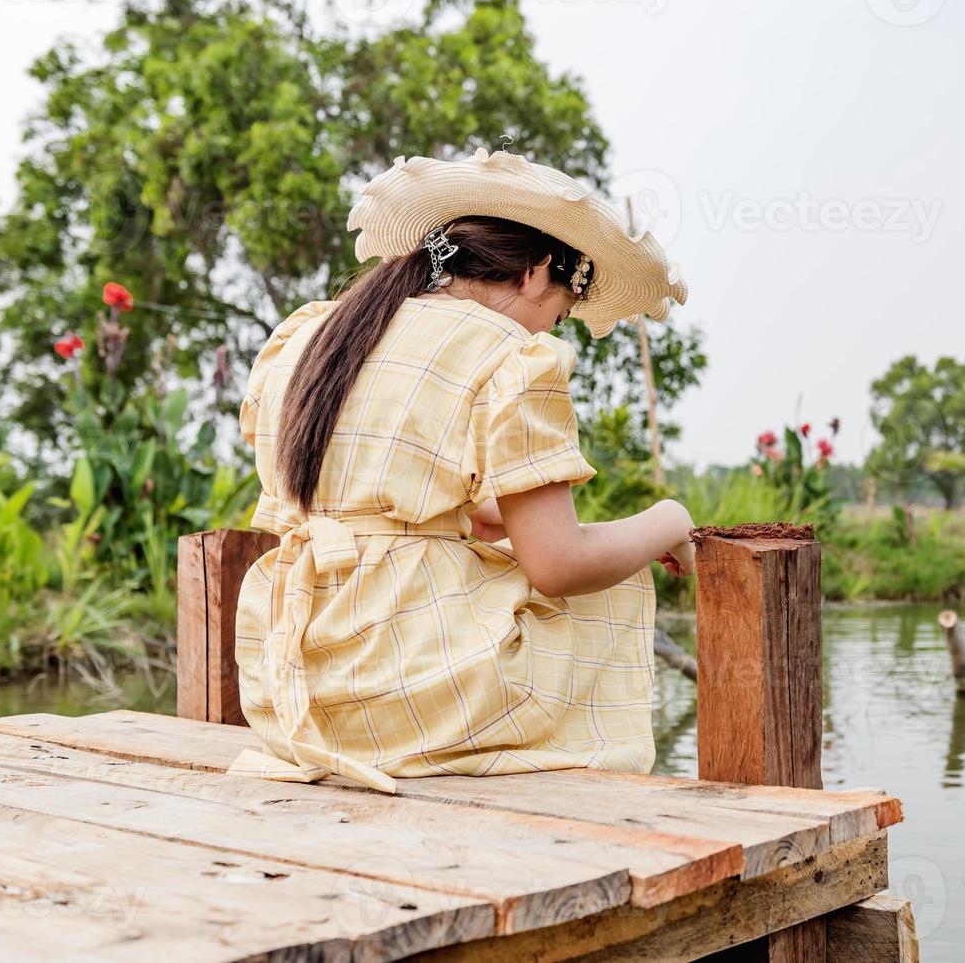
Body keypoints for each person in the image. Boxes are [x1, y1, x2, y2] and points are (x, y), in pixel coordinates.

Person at [226, 147, 692, 793]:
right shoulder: (513, 356)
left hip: (291, 689)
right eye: (556, 314)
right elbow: (557, 563)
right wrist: (668, 521)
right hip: (407, 694)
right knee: (605, 595)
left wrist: (491, 515)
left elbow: (373, 499)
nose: (546, 330)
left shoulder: (317, 334)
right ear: (534, 272)